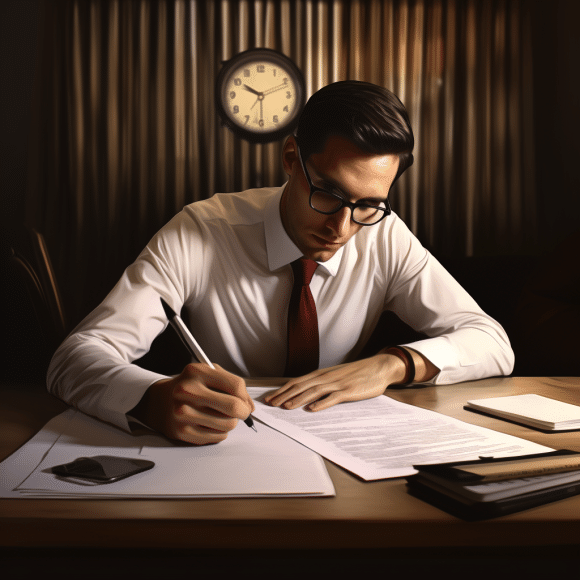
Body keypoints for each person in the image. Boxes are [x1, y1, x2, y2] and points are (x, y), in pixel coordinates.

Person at [48, 81, 514, 445]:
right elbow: (75, 358)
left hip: (346, 451)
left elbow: (492, 342)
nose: (343, 228)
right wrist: (150, 400)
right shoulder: (202, 230)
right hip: (226, 452)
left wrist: (393, 365)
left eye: (368, 205)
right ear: (291, 158)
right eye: (329, 194)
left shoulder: (384, 234)